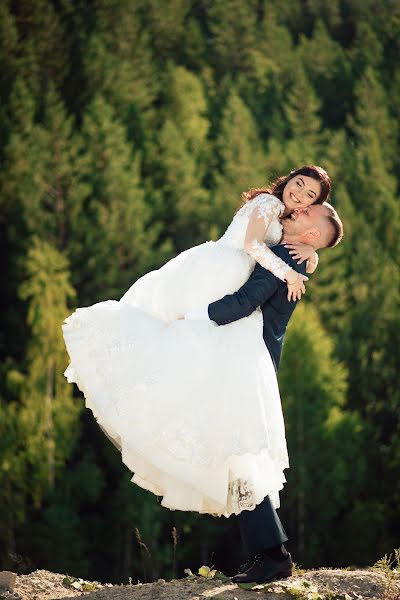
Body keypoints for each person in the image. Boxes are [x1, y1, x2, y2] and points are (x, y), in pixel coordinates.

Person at [62, 165, 333, 519]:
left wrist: (310, 256)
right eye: (299, 185)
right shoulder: (266, 202)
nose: (300, 195)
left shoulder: (283, 220)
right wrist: (288, 271)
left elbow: (291, 246)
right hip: (215, 275)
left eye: (310, 196)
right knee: (175, 343)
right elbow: (252, 244)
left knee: (194, 364)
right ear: (289, 180)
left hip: (229, 287)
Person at [184, 202, 344, 583]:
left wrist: (190, 318)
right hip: (249, 359)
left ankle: (272, 555)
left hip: (245, 360)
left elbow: (244, 302)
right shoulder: (293, 255)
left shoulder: (284, 257)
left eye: (308, 213)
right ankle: (267, 553)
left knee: (239, 455)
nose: (299, 208)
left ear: (312, 236)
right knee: (236, 454)